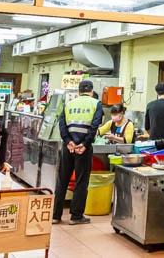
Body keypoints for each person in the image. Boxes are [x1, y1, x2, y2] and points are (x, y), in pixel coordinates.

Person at [53, 80, 102, 225]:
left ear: (79, 92)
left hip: (68, 148)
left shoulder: (69, 104)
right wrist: (84, 144)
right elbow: (94, 126)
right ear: (92, 91)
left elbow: (61, 124)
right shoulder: (96, 103)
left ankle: (56, 216)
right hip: (83, 149)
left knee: (62, 180)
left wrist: (69, 141)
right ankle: (76, 216)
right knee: (81, 181)